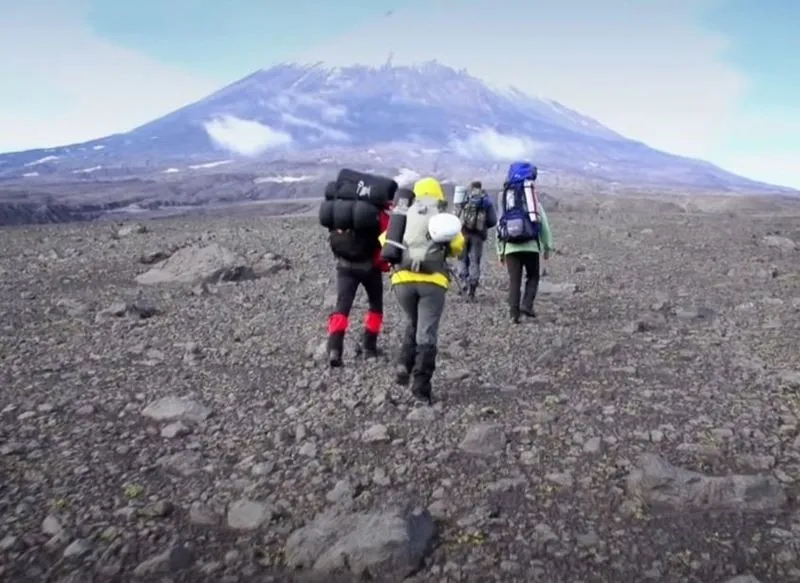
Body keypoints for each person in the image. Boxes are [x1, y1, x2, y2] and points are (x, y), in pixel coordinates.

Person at [380, 177, 464, 403]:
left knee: (414, 321)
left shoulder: (403, 212)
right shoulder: (442, 214)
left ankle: (403, 364)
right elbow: (457, 246)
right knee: (426, 332)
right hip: (432, 282)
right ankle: (421, 387)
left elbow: (385, 240)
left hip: (402, 280)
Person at [320, 174, 394, 367]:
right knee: (375, 307)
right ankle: (369, 349)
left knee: (342, 308)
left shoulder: (340, 211)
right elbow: (385, 242)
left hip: (344, 266)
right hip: (370, 267)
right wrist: (385, 265)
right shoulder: (377, 214)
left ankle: (335, 349)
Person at [495, 162, 554, 323]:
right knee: (533, 276)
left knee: (514, 280)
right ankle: (527, 305)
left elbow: (500, 224)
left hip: (510, 248)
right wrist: (547, 247)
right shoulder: (531, 197)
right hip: (531, 246)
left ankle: (514, 314)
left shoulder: (505, 199)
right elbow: (543, 223)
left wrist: (500, 250)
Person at [456, 180, 497, 299]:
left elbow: (457, 215)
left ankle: (463, 282)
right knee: (475, 261)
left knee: (462, 259)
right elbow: (493, 220)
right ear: (481, 187)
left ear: (471, 187)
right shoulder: (486, 201)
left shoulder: (464, 198)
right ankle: (472, 288)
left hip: (463, 234)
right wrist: (482, 225)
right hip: (478, 236)